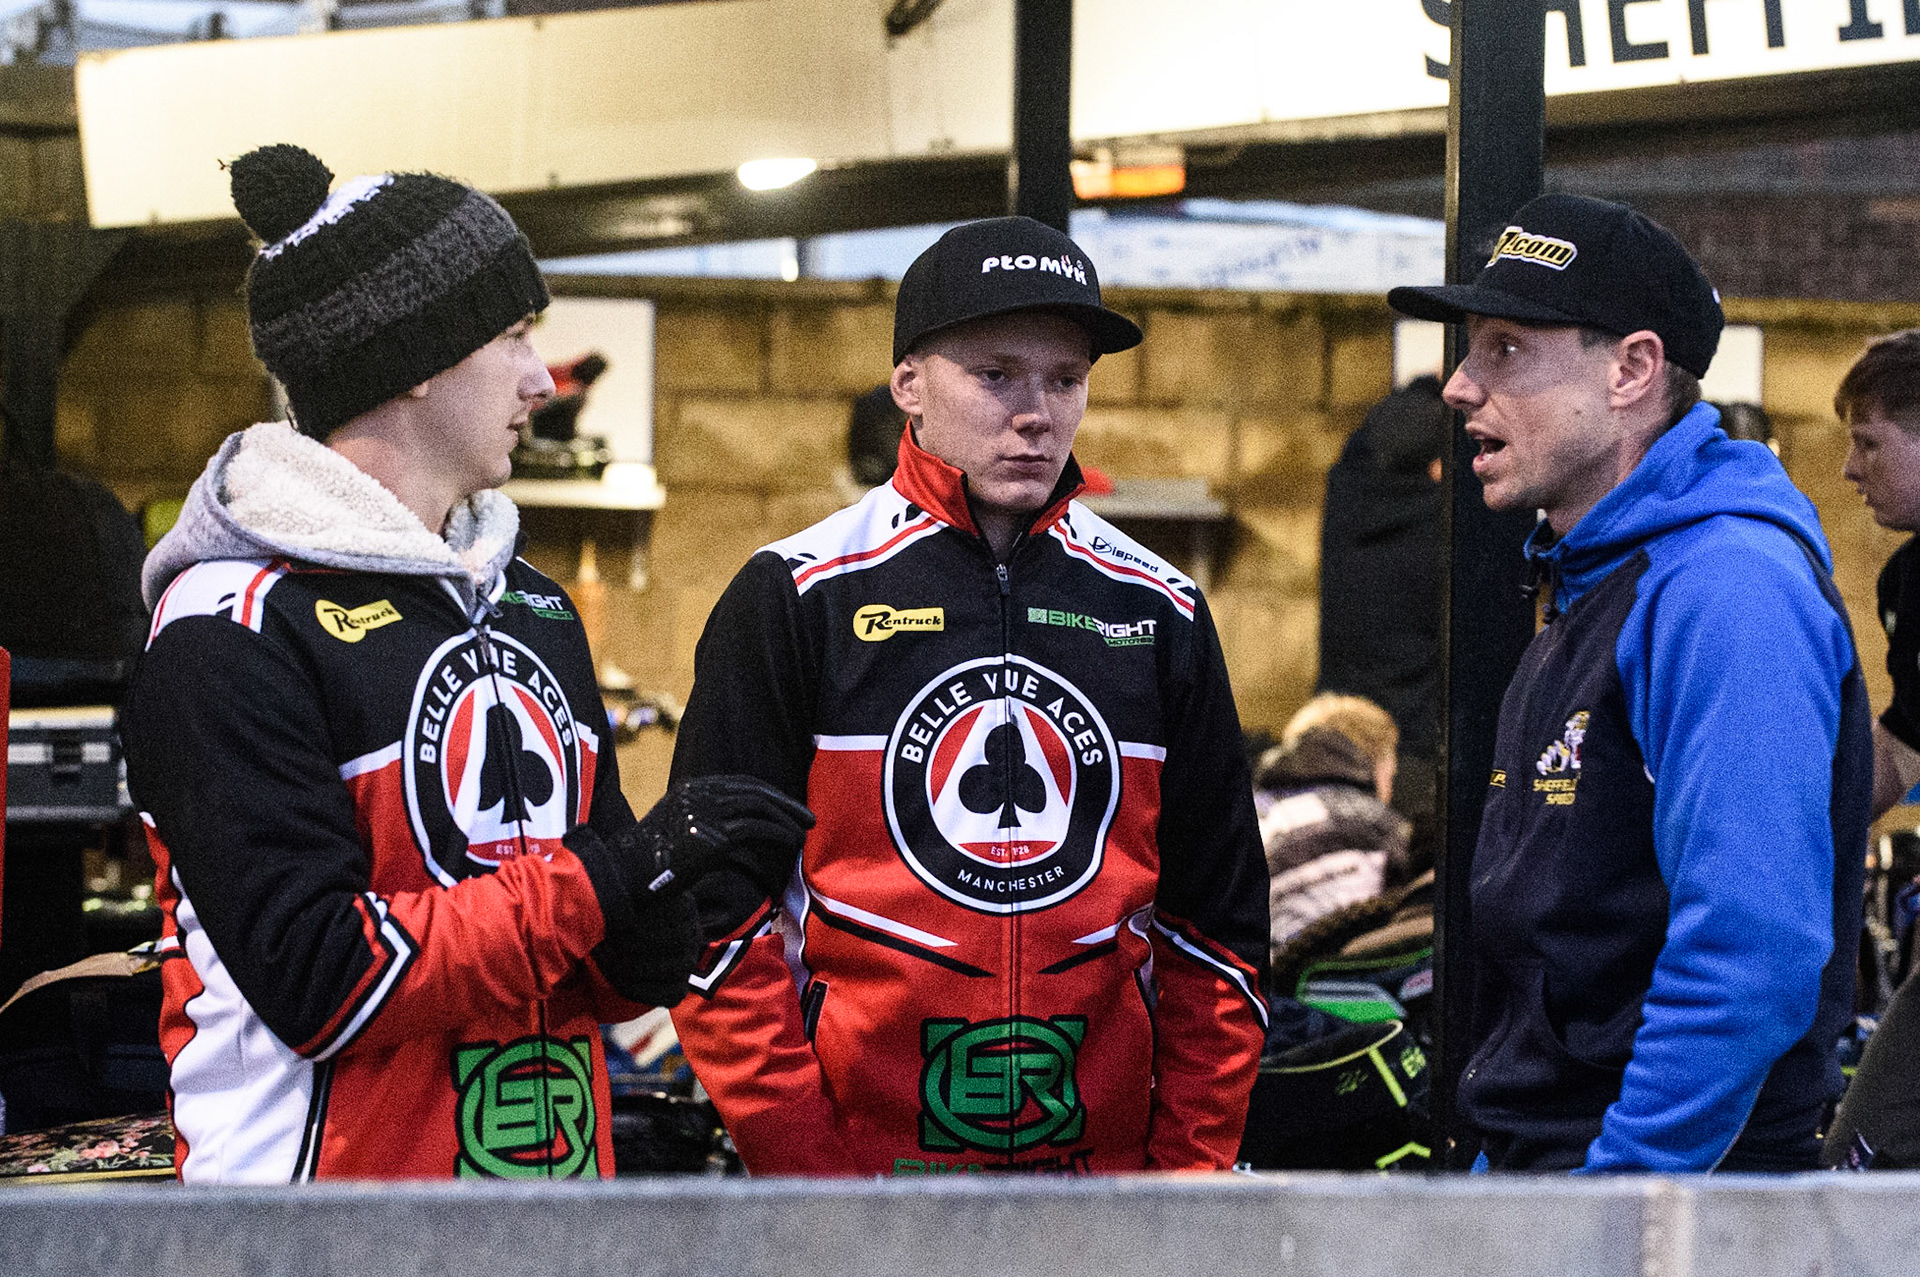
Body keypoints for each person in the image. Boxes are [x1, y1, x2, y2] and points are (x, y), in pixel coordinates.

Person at [122, 144, 809, 1182]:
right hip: (327, 1233)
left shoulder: (529, 603)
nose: (543, 378)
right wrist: (611, 877)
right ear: (417, 358)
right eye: (515, 335)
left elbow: (585, 950)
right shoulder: (228, 622)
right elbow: (325, 981)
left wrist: (670, 911)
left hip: (548, 1206)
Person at [667, 216, 1270, 1176]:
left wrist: (1182, 1181)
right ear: (908, 383)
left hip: (1105, 1194)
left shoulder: (1159, 607)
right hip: (853, 1186)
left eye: (1065, 380)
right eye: (995, 375)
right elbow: (712, 914)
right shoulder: (797, 592)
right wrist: (806, 1167)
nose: (1036, 412)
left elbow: (1219, 930)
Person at [1388, 193, 1870, 1173]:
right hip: (1556, 1183)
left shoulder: (1723, 590)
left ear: (1632, 369)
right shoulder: (1598, 572)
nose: (1458, 385)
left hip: (1655, 1209)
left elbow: (1750, 961)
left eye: (1506, 349)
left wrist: (1615, 1204)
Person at [1820, 329, 1920, 1169]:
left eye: (1869, 442)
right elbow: (1903, 747)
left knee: (1854, 1172)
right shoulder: (1906, 582)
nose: (1850, 469)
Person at [1316, 375, 1448, 820]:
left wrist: (1424, 388)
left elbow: (1365, 445)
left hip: (1336, 743)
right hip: (1413, 751)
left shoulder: (1348, 500)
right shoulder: (1441, 529)